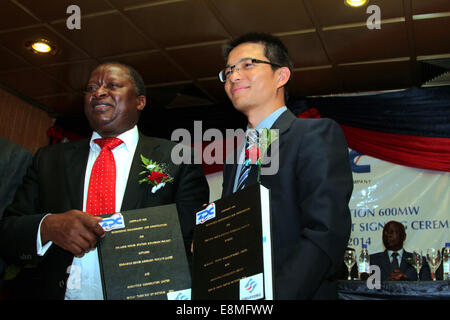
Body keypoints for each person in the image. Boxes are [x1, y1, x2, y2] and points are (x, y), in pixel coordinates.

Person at [0, 62, 209, 299]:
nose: (98, 92)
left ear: (140, 101)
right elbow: (7, 234)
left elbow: (194, 242)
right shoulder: (49, 160)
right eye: (91, 88)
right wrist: (48, 227)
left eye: (113, 85)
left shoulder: (178, 158)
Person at [220, 33, 353, 299]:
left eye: (247, 65)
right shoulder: (236, 158)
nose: (234, 76)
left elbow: (325, 231)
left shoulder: (314, 134)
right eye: (229, 70)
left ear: (281, 76)